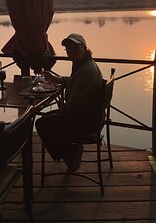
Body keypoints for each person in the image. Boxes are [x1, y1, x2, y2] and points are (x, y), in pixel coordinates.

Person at [35, 33, 105, 172]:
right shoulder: (86, 63)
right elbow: (75, 83)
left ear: (84, 48)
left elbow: (72, 107)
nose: (70, 52)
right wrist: (58, 79)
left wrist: (60, 112)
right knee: (48, 120)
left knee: (42, 123)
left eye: (75, 48)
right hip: (91, 116)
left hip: (85, 122)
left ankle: (69, 154)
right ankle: (70, 151)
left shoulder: (85, 70)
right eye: (68, 49)